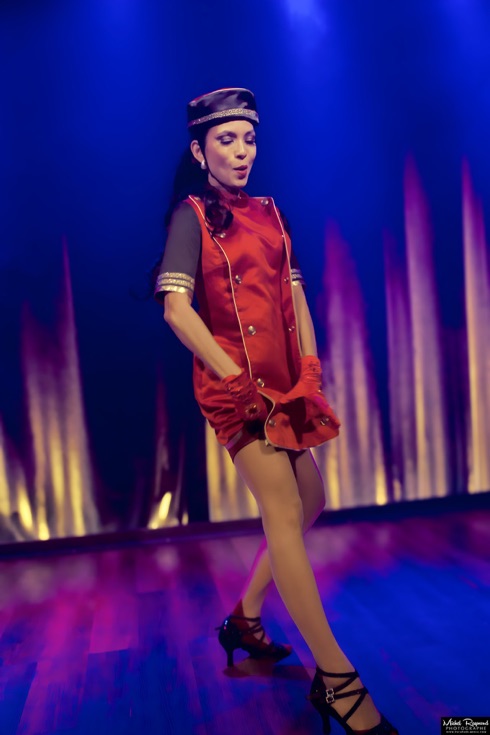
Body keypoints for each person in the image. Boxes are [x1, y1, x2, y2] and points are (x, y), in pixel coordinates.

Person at [154, 87, 398, 735]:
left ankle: (244, 617)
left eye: (249, 139)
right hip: (235, 389)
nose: (241, 151)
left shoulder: (269, 211)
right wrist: (233, 377)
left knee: (311, 499)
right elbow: (176, 308)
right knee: (284, 511)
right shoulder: (191, 216)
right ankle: (338, 681)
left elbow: (295, 296)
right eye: (226, 140)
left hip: (285, 383)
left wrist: (310, 368)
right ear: (199, 150)